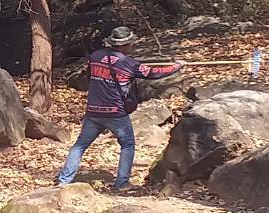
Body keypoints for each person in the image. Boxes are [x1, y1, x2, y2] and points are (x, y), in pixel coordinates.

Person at [57, 26, 182, 192]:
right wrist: (176, 66)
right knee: (127, 144)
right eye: (130, 43)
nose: (132, 46)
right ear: (124, 45)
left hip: (93, 110)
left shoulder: (96, 57)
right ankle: (121, 183)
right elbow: (154, 73)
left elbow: (88, 75)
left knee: (80, 146)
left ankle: (64, 181)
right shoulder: (129, 64)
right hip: (115, 112)